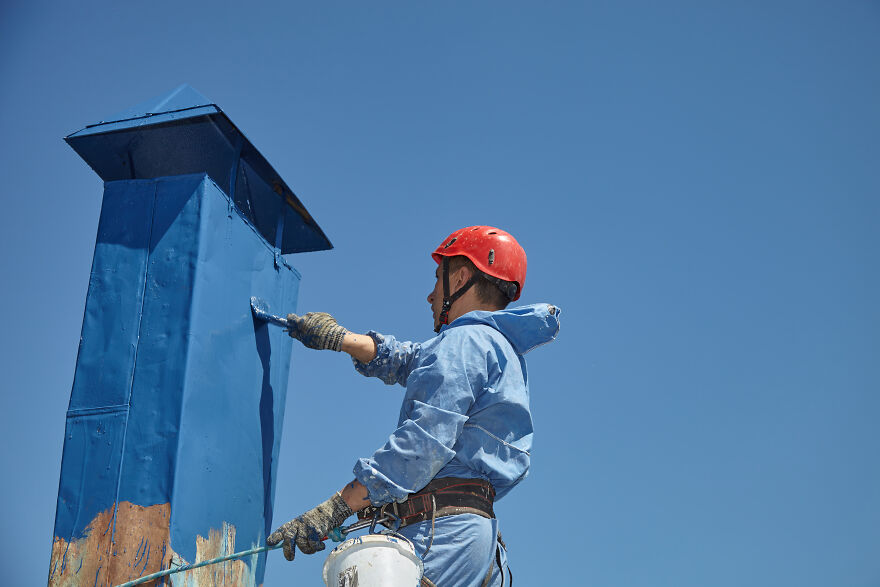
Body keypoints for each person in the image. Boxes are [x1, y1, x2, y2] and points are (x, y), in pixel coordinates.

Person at [267, 226, 560, 586]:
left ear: (462, 276)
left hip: (441, 532)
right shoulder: (497, 349)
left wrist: (339, 506)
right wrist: (341, 339)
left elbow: (423, 445)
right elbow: (413, 360)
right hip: (474, 539)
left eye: (439, 279)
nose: (430, 295)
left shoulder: (464, 342)